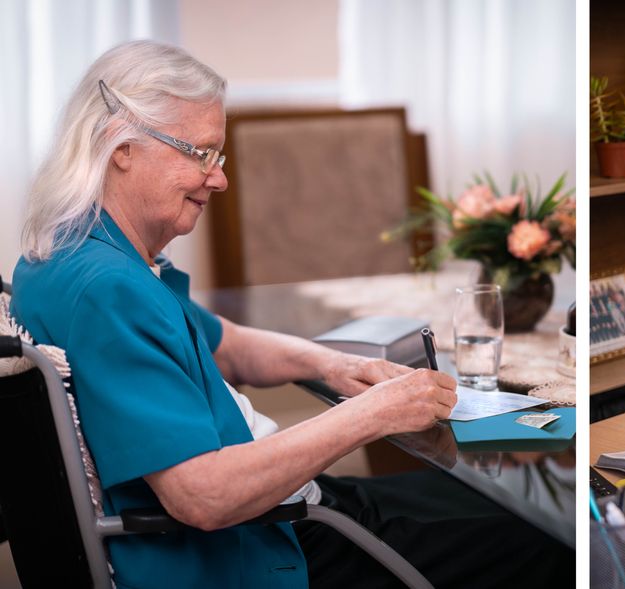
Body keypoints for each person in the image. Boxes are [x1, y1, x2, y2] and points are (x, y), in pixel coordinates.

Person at [12, 41, 570, 587]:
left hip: (279, 506)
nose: (220, 177)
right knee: (545, 544)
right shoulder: (111, 292)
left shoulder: (67, 253)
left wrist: (330, 365)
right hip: (260, 544)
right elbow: (203, 496)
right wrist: (373, 413)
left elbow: (222, 343)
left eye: (219, 155)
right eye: (199, 153)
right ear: (122, 146)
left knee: (478, 505)